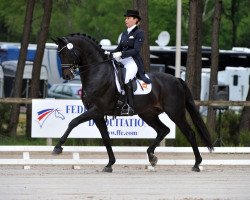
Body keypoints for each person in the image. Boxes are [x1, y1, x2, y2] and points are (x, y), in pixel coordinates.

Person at [111, 9, 151, 115]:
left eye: (128, 18)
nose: (126, 20)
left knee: (126, 79)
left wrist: (121, 54)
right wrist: (109, 53)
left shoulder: (139, 33)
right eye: (126, 18)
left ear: (135, 20)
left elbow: (136, 50)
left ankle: (129, 105)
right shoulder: (124, 33)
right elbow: (119, 47)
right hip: (121, 60)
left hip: (132, 61)